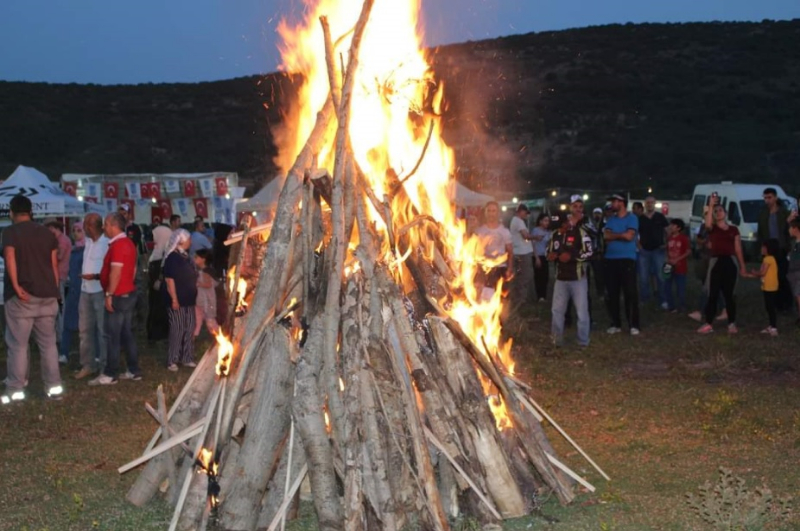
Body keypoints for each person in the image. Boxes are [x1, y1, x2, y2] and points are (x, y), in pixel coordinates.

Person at [2, 195, 63, 403]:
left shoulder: (10, 232)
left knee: (18, 345)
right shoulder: (47, 234)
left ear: (11, 212)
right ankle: (54, 387)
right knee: (48, 344)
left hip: (22, 298)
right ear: (31, 212)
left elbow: (10, 258)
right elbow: (53, 264)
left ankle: (16, 388)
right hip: (47, 295)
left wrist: (17, 287)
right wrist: (54, 289)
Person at [89, 212, 141, 385]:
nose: (103, 227)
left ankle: (111, 373)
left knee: (113, 335)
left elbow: (116, 272)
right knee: (126, 333)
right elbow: (132, 270)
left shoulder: (119, 245)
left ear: (113, 225)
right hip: (127, 293)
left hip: (119, 295)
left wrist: (109, 294)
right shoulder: (128, 243)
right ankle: (133, 370)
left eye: (105, 224)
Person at [697, 196, 747, 335]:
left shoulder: (733, 229)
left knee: (729, 295)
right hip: (716, 261)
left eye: (721, 210)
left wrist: (742, 266)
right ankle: (708, 323)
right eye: (716, 211)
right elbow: (707, 225)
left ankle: (731, 323)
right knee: (712, 294)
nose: (718, 212)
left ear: (725, 213)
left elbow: (738, 248)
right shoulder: (712, 228)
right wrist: (711, 205)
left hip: (730, 262)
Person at [547, 205, 593, 347]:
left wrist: (572, 257)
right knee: (557, 311)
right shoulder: (555, 234)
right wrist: (551, 256)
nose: (560, 228)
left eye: (561, 225)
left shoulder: (581, 232)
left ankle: (583, 341)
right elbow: (548, 251)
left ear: (566, 221)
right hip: (560, 279)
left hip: (577, 279)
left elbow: (589, 252)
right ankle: (556, 340)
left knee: (581, 312)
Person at [75, 213, 109, 380]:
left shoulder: (106, 243)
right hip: (85, 291)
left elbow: (109, 268)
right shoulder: (87, 242)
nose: (83, 229)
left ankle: (104, 366)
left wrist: (95, 276)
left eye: (85, 225)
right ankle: (88, 364)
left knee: (102, 331)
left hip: (100, 291)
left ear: (90, 226)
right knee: (84, 330)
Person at [603, 193, 640, 335]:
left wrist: (615, 236)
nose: (612, 204)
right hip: (611, 258)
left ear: (621, 202)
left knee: (630, 292)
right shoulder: (611, 219)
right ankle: (615, 323)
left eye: (614, 201)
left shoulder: (632, 218)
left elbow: (630, 236)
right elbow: (606, 237)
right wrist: (621, 235)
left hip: (627, 258)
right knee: (612, 292)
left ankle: (633, 324)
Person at [163, 229, 199, 370]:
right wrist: (174, 299)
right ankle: (172, 359)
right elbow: (169, 280)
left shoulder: (185, 256)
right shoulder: (172, 257)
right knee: (177, 329)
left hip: (189, 299)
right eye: (189, 239)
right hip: (177, 299)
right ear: (181, 241)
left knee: (189, 327)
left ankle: (187, 357)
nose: (190, 241)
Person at [757, 188, 795, 312]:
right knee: (771, 277)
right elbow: (761, 232)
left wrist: (790, 247)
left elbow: (790, 231)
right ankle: (776, 304)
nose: (767, 200)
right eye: (765, 197)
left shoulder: (783, 213)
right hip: (769, 248)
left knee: (782, 276)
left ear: (775, 198)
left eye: (769, 197)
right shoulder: (763, 214)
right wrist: (762, 247)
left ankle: (786, 304)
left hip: (781, 248)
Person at [474, 201, 513, 301]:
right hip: (483, 268)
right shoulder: (480, 231)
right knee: (483, 296)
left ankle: (498, 316)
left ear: (498, 213)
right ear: (485, 212)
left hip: (499, 268)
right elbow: (474, 251)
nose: (491, 213)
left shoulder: (504, 231)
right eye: (489, 211)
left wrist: (509, 268)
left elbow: (510, 251)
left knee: (498, 297)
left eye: (494, 211)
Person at [59, 222, 86, 364]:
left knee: (85, 325)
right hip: (73, 289)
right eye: (74, 230)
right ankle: (64, 352)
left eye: (79, 230)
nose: (76, 233)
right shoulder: (74, 250)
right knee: (68, 323)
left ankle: (85, 354)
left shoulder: (87, 250)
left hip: (83, 290)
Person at [743, 239, 780, 336]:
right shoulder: (768, 259)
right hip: (767, 286)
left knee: (771, 307)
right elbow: (761, 274)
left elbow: (762, 272)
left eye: (763, 247)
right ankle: (771, 326)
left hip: (770, 287)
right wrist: (748, 275)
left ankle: (774, 327)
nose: (762, 249)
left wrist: (754, 272)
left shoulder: (768, 259)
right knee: (769, 307)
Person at [637, 196, 669, 307]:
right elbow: (634, 233)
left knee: (661, 276)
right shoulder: (640, 219)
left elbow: (667, 231)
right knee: (643, 277)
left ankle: (663, 299)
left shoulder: (660, 217)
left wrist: (666, 244)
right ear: (645, 204)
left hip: (658, 250)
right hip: (644, 251)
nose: (649, 204)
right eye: (648, 202)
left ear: (655, 204)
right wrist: (639, 246)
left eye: (651, 202)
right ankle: (644, 298)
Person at [45, 219, 72, 346]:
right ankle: (59, 334)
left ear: (54, 228)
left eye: (49, 228)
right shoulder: (60, 240)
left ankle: (61, 335)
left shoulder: (62, 240)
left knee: (60, 306)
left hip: (60, 275)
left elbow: (59, 256)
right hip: (58, 275)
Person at [146, 219, 172, 342]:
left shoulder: (158, 253)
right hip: (159, 282)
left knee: (156, 305)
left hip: (158, 281)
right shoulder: (160, 252)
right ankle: (157, 332)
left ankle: (156, 332)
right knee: (158, 305)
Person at [508, 203, 534, 307]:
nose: (526, 215)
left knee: (519, 276)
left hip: (519, 252)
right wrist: (536, 237)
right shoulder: (518, 221)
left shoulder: (515, 221)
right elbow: (525, 236)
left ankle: (518, 298)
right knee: (524, 276)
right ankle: (520, 300)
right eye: (525, 212)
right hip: (522, 254)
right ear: (520, 211)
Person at [663, 219, 690, 313]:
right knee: (667, 285)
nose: (671, 227)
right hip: (668, 265)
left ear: (678, 228)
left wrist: (677, 259)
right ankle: (671, 305)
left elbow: (688, 251)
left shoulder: (683, 238)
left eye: (673, 225)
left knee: (680, 288)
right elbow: (667, 249)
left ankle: (682, 306)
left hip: (680, 266)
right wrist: (667, 258)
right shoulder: (669, 238)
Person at [194, 249, 220, 337]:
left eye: (196, 257)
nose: (194, 259)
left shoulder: (206, 272)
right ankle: (194, 335)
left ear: (203, 259)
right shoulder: (201, 271)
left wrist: (197, 284)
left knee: (210, 320)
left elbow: (208, 284)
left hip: (207, 300)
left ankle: (218, 335)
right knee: (197, 318)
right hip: (200, 300)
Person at [531, 213, 552, 302]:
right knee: (538, 276)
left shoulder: (548, 232)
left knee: (545, 276)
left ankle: (544, 295)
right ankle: (540, 296)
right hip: (538, 255)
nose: (547, 223)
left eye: (548, 221)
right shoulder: (536, 231)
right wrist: (536, 258)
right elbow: (533, 245)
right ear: (540, 221)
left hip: (545, 256)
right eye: (545, 221)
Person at [787, 220, 800, 324]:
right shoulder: (794, 243)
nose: (789, 230)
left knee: (798, 294)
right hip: (794, 272)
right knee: (796, 295)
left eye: (791, 227)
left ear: (795, 228)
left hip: (798, 272)